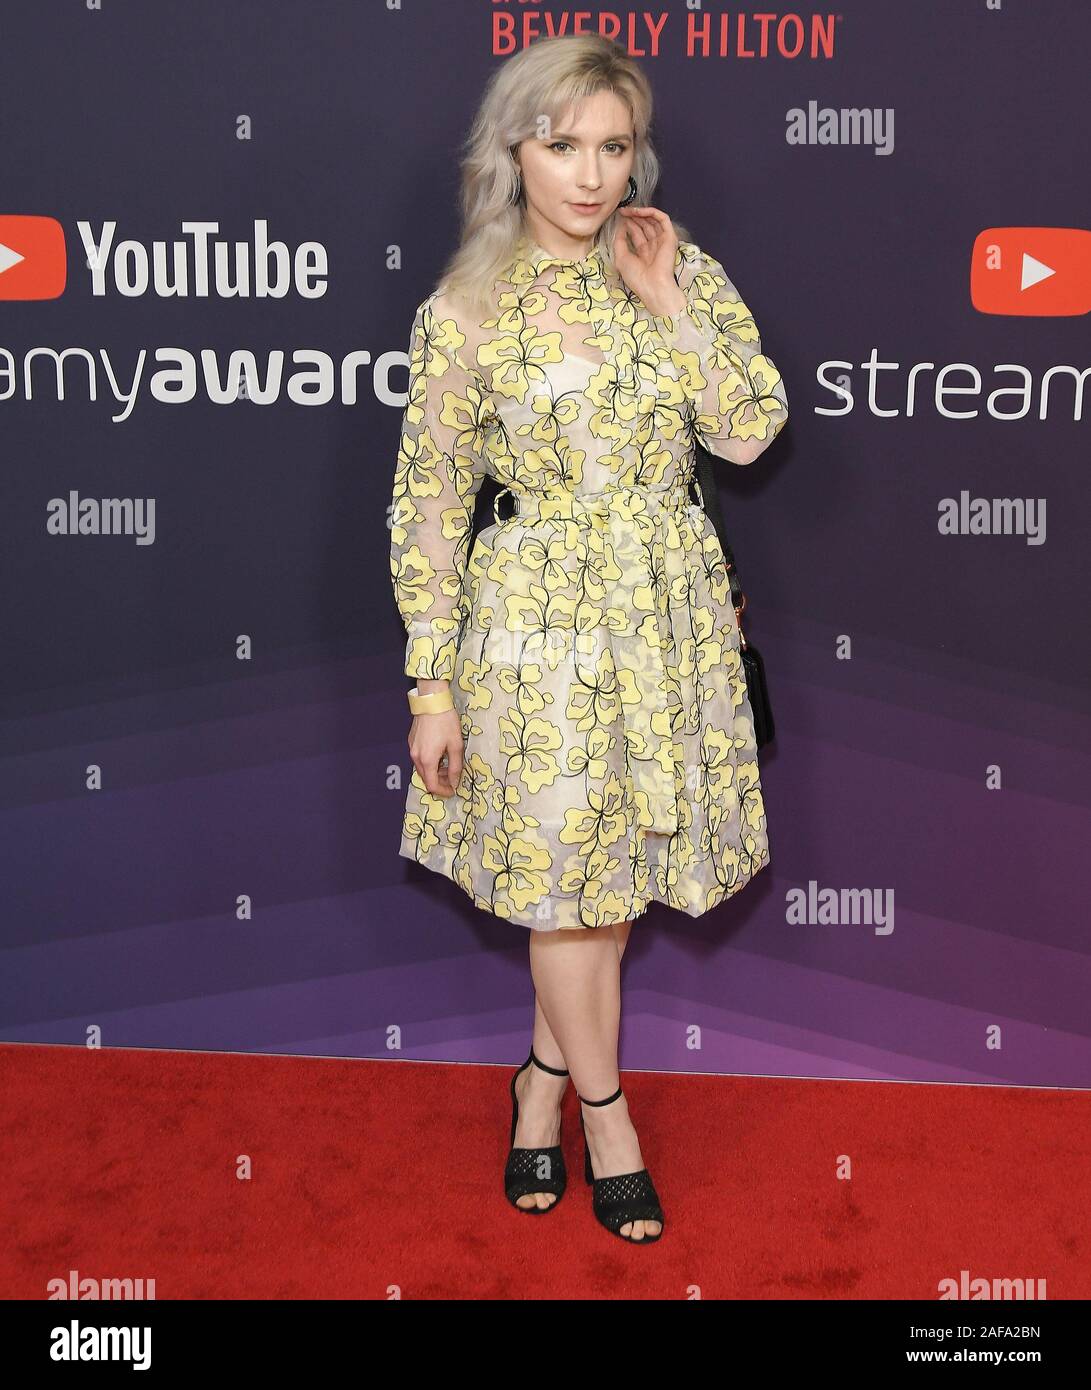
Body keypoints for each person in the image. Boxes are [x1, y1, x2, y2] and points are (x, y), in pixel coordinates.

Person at [389, 34, 788, 1243]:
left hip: (663, 612)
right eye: (562, 143)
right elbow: (427, 500)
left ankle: (537, 1085)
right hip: (534, 624)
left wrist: (668, 306)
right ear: (512, 148)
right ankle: (605, 1116)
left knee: (602, 892)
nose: (590, 173)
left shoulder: (669, 262)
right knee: (566, 889)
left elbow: (749, 430)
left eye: (612, 146)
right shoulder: (465, 307)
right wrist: (430, 684)